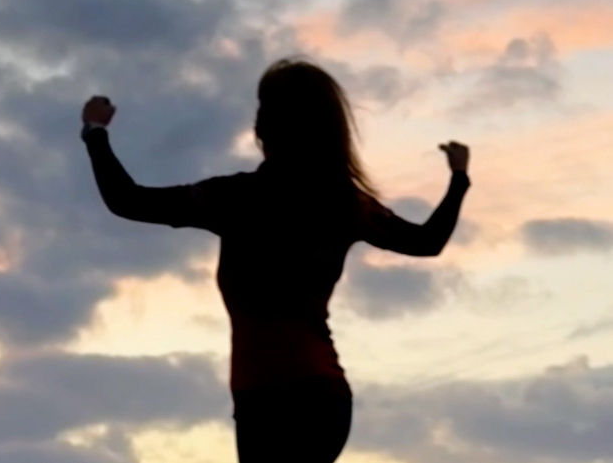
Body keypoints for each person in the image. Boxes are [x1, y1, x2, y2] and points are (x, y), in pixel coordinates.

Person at [79, 58, 471, 462]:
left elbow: (128, 200)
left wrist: (95, 132)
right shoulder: (345, 204)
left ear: (264, 128)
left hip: (269, 401)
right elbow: (427, 241)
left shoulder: (236, 198)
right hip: (321, 399)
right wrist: (458, 178)